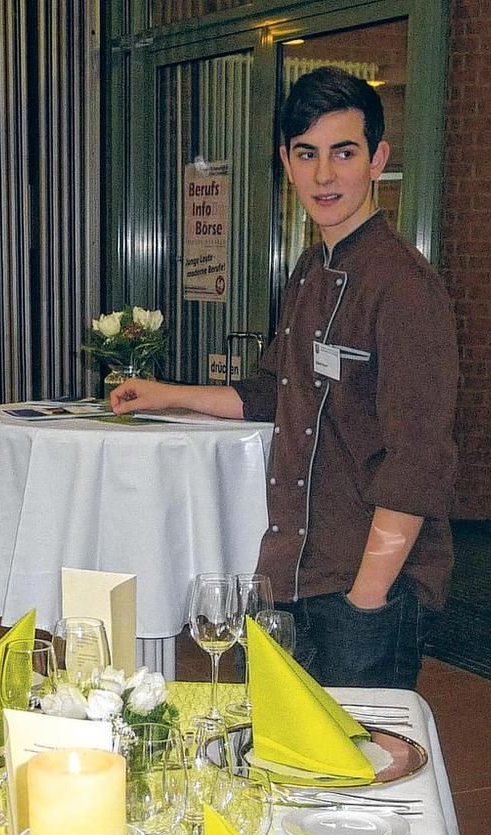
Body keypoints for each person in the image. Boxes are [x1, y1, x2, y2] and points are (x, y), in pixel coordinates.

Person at [111, 66, 458, 689]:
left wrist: (366, 602)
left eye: (343, 153)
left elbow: (419, 463)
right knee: (282, 766)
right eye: (308, 154)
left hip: (363, 586)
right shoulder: (309, 269)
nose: (324, 175)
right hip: (294, 575)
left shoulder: (404, 287)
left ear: (377, 159)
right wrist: (168, 395)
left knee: (352, 779)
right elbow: (277, 392)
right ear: (287, 163)